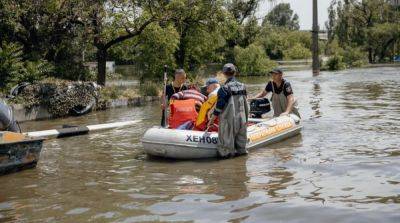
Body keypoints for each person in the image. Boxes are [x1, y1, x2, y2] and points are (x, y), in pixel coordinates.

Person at [207, 63, 249, 158]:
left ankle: (227, 169)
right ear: (235, 73)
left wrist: (211, 120)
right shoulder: (243, 86)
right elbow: (246, 103)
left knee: (225, 150)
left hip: (229, 121)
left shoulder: (224, 89)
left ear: (224, 73)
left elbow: (218, 108)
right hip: (242, 120)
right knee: (242, 150)